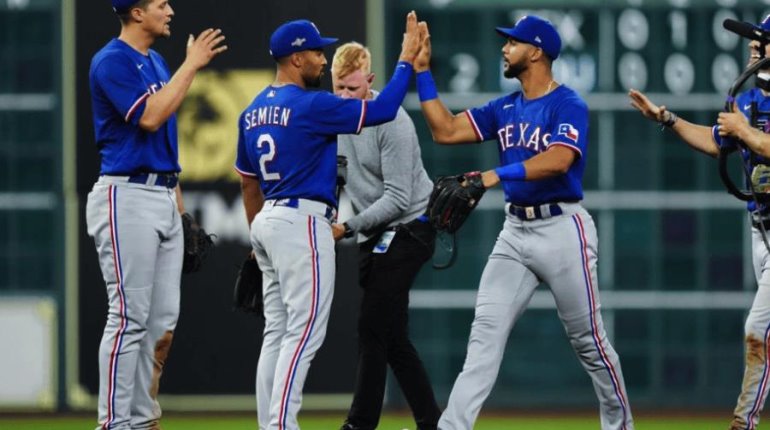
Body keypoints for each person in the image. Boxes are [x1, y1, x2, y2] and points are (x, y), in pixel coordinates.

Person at [413, 15, 634, 430]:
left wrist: (498, 175)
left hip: (563, 229)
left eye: (512, 43)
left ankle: (620, 426)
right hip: (515, 232)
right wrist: (423, 72)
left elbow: (559, 159)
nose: (504, 48)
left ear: (535, 51)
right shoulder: (505, 107)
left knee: (590, 344)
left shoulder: (567, 103)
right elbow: (445, 130)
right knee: (483, 339)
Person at [234, 13, 424, 430]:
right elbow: (386, 107)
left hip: (267, 220)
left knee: (278, 335)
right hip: (302, 222)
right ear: (296, 58)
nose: (323, 59)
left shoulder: (251, 112)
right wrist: (406, 60)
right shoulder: (311, 104)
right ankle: (282, 425)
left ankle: (270, 424)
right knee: (303, 337)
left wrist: (255, 239)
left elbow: (249, 184)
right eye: (316, 51)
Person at [85, 1, 226, 429]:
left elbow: (163, 145)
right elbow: (149, 117)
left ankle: (143, 420)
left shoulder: (158, 61)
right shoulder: (111, 61)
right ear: (136, 12)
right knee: (128, 316)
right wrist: (193, 64)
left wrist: (180, 212)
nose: (169, 9)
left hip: (162, 193)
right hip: (125, 195)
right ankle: (112, 423)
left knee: (161, 323)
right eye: (160, 4)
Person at [629, 15, 770, 430]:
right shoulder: (749, 100)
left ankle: (742, 422)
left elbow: (748, 138)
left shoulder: (746, 114)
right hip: (759, 228)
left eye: (759, 40)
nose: (751, 47)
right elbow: (716, 141)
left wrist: (744, 132)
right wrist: (667, 119)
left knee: (758, 329)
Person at [329, 42, 441, 430]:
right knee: (393, 338)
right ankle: (432, 422)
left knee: (371, 325)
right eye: (338, 88)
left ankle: (359, 423)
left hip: (411, 227)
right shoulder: (335, 120)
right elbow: (336, 182)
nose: (344, 97)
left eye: (352, 89)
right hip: (373, 235)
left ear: (371, 82)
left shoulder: (392, 122)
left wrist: (346, 227)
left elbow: (398, 198)